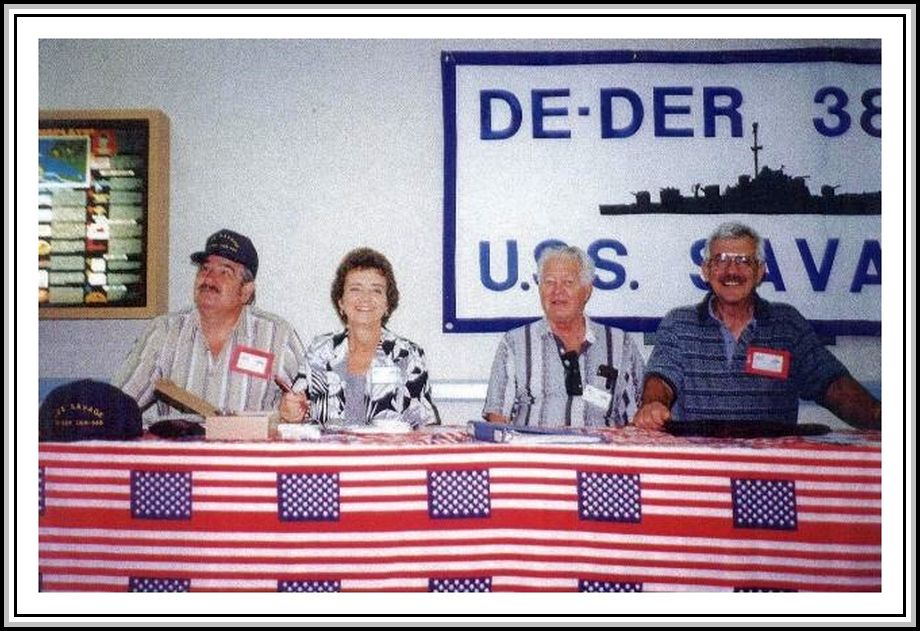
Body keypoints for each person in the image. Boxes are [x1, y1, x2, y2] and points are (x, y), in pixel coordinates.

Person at [633, 221, 881, 431]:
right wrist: (654, 405)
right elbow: (661, 380)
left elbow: (832, 386)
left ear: (760, 271)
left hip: (770, 473)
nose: (732, 271)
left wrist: (878, 415)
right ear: (706, 271)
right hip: (700, 468)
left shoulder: (788, 324)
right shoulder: (678, 324)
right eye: (721, 260)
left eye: (743, 261)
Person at [113, 229, 306, 417]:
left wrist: (293, 412)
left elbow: (310, 409)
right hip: (182, 449)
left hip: (249, 449)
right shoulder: (164, 332)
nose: (209, 278)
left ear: (246, 292)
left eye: (225, 272)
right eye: (205, 268)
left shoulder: (278, 336)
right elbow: (117, 405)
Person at [483, 245, 645, 428]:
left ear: (587, 291)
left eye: (568, 282)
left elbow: (638, 416)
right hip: (536, 453)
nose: (557, 291)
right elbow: (497, 417)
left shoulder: (619, 343)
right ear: (540, 289)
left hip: (598, 453)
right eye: (549, 282)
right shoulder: (514, 343)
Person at [279, 247, 439, 428]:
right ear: (341, 302)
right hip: (330, 455)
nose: (365, 298)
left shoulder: (408, 355)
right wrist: (289, 412)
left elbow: (426, 428)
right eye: (356, 289)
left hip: (389, 455)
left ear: (387, 303)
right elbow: (297, 412)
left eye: (376, 290)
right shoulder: (320, 351)